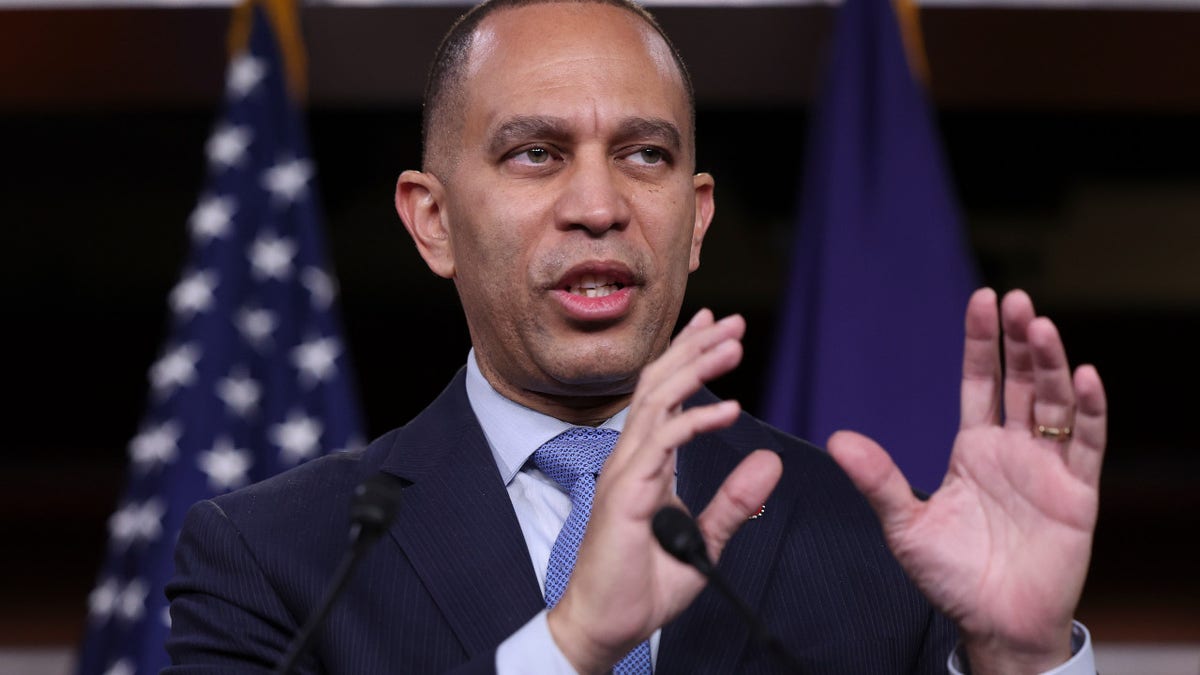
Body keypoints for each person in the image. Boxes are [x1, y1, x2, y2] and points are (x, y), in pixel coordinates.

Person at [165, 0, 1107, 672]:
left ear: (696, 219)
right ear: (433, 221)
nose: (598, 205)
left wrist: (1019, 660)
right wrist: (570, 645)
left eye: (643, 154)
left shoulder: (877, 543)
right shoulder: (272, 558)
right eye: (535, 153)